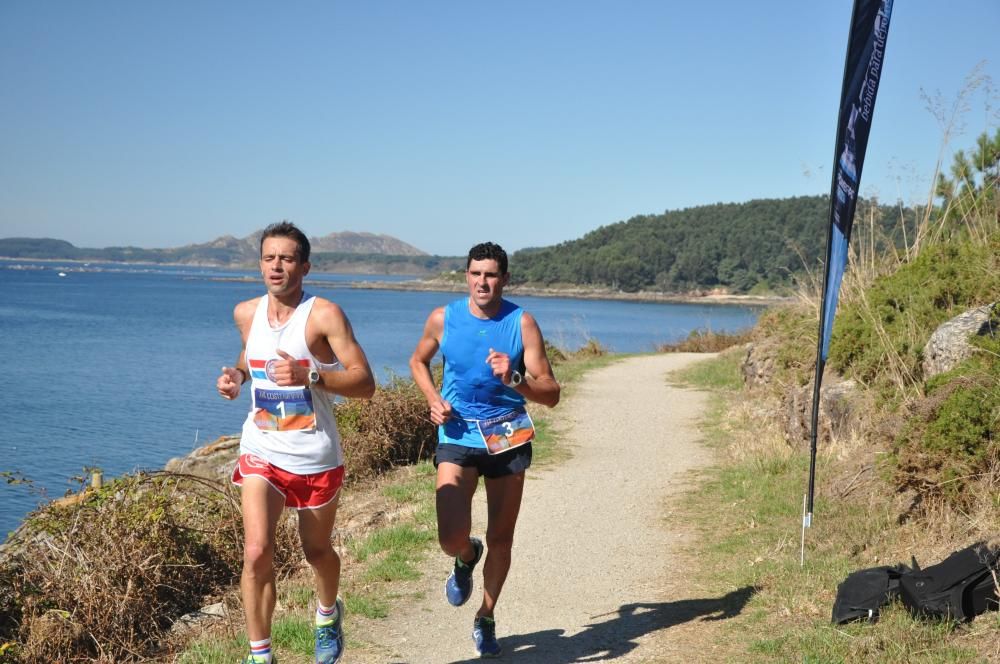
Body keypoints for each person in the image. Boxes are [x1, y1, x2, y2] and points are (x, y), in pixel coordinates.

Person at [217, 221, 375, 664]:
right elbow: (250, 357)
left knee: (316, 551)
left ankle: (327, 613)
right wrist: (237, 376)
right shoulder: (245, 313)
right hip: (261, 450)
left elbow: (365, 383)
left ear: (304, 266)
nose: (277, 266)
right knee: (256, 550)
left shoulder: (324, 315)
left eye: (286, 259)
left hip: (315, 454)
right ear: (260, 264)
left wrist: (312, 375)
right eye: (269, 258)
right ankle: (259, 654)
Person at [409, 241, 561, 657]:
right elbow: (418, 361)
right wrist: (431, 399)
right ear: (466, 276)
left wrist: (514, 379)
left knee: (502, 537)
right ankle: (464, 555)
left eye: (491, 274)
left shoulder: (522, 323)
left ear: (504, 279)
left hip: (507, 438)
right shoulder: (444, 318)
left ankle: (486, 616)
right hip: (457, 434)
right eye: (476, 273)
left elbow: (550, 393)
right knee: (449, 534)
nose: (482, 281)